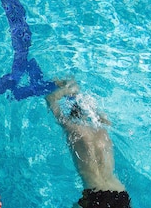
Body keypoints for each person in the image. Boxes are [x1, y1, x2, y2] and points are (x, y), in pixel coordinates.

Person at [46, 79, 131, 208]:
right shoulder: (103, 129)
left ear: (72, 116)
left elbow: (50, 99)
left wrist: (64, 90)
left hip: (95, 193)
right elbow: (94, 108)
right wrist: (74, 90)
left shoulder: (72, 129)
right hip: (119, 191)